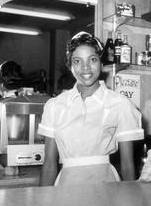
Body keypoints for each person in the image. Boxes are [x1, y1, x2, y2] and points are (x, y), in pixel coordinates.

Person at [38, 31, 144, 187]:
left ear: (101, 64)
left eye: (92, 60)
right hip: (66, 188)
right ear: (70, 66)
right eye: (77, 61)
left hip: (107, 187)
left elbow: (128, 166)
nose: (85, 68)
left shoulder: (120, 104)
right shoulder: (54, 106)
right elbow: (49, 165)